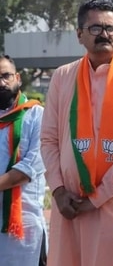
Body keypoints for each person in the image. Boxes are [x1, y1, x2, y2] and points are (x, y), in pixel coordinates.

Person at [40, 0, 113, 266]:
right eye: (95, 28)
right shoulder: (63, 77)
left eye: (111, 28)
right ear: (79, 34)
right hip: (69, 207)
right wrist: (57, 190)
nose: (104, 34)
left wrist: (98, 198)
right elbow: (49, 139)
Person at [0, 55, 47, 266]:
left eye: (6, 76)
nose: (1, 82)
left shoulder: (37, 115)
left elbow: (30, 167)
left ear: (17, 78)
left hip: (25, 226)